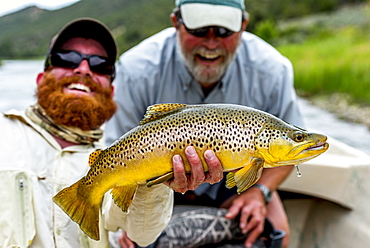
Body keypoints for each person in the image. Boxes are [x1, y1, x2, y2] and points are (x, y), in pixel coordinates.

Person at [0, 17, 222, 248]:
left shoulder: (124, 152)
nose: (83, 69)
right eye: (67, 58)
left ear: (111, 90)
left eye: (100, 65)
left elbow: (141, 234)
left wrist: (156, 178)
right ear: (40, 78)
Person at [105, 0, 305, 247]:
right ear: (176, 23)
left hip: (238, 176)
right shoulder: (136, 68)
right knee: (127, 240)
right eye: (199, 30)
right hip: (156, 180)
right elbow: (118, 149)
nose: (211, 43)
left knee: (279, 234)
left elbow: (290, 148)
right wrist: (131, 214)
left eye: (224, 31)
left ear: (243, 26)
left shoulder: (273, 69)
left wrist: (259, 192)